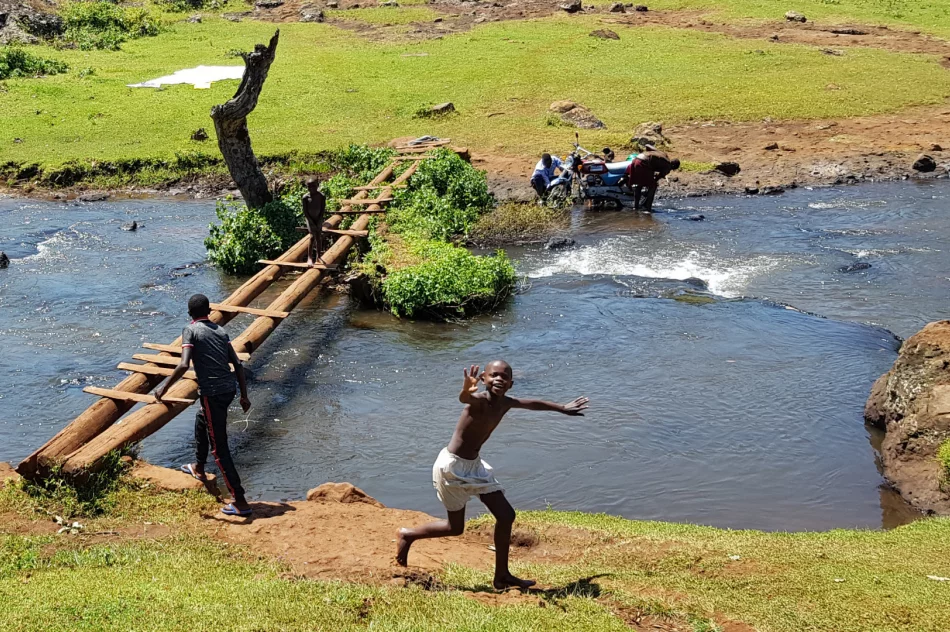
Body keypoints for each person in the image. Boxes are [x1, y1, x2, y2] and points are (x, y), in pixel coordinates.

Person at [396, 361, 589, 590]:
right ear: (485, 380)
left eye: (504, 376)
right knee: (455, 528)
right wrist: (467, 389)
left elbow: (533, 404)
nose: (499, 379)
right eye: (494, 375)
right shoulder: (478, 401)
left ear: (511, 384)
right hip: (451, 468)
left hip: (475, 467)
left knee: (506, 515)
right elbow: (465, 399)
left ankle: (502, 576)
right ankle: (408, 535)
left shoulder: (506, 403)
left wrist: (561, 408)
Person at [156, 293, 253, 517]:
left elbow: (183, 364)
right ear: (209, 312)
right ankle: (199, 468)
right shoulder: (221, 331)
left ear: (190, 313)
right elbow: (237, 365)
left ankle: (240, 501)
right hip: (229, 390)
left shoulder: (190, 330)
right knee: (202, 419)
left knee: (219, 449)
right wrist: (244, 396)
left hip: (212, 393)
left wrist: (164, 389)